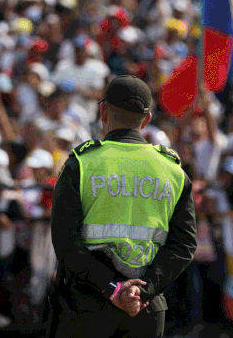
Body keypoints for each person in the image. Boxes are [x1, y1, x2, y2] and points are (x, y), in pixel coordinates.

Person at [49, 75, 196, 338]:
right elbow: (184, 245)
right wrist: (143, 289)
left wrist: (113, 288)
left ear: (102, 111)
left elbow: (65, 241)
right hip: (145, 310)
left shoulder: (81, 164)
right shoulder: (173, 171)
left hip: (87, 306)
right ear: (147, 119)